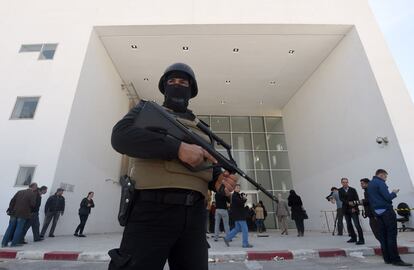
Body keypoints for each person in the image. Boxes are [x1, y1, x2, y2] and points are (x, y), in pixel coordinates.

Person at [108, 63, 238, 270]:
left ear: (191, 90)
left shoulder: (202, 128)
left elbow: (209, 168)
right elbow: (120, 137)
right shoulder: (145, 110)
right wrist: (177, 148)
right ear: (164, 86)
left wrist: (219, 181)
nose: (177, 85)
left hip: (195, 216)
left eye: (183, 82)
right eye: (172, 81)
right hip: (151, 210)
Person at [367, 169, 412, 267]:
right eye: (385, 177)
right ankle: (396, 259)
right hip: (387, 212)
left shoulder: (370, 185)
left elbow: (370, 200)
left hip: (377, 213)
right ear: (381, 175)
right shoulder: (380, 183)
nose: (386, 179)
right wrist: (394, 193)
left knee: (383, 236)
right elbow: (387, 197)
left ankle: (387, 258)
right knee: (391, 236)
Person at [1, 183, 38, 247]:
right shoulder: (32, 194)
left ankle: (4, 243)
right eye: (36, 187)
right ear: (34, 187)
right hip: (23, 213)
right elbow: (33, 204)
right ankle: (14, 243)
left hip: (14, 212)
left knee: (10, 228)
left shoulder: (20, 191)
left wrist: (11, 209)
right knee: (19, 228)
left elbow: (12, 201)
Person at [338, 178, 364, 245]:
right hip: (346, 210)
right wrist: (348, 203)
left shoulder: (353, 190)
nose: (345, 183)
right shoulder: (340, 190)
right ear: (341, 183)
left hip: (353, 209)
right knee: (349, 225)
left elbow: (356, 199)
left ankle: (361, 239)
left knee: (357, 225)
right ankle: (353, 238)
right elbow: (341, 199)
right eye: (343, 182)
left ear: (348, 182)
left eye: (346, 182)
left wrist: (354, 207)